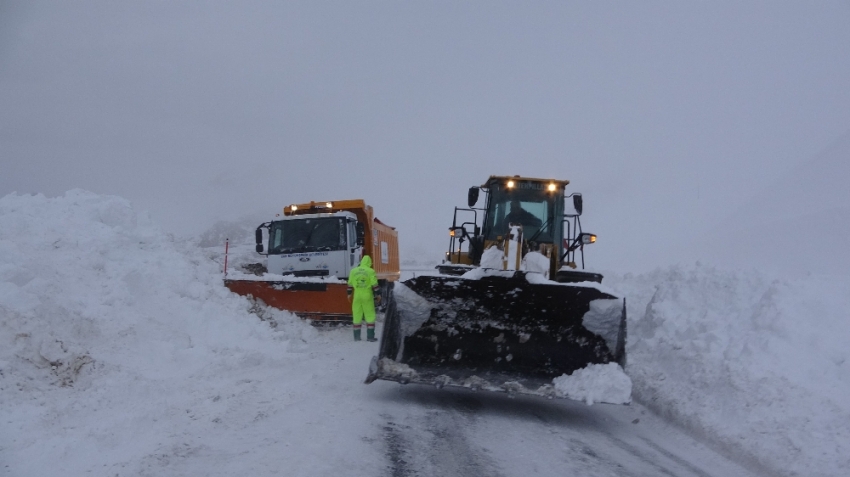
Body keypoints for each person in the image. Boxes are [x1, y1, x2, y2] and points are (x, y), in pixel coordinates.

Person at [347, 255, 381, 341]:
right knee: (369, 315)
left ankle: (357, 337)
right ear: (369, 262)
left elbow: (350, 284)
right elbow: (374, 284)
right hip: (367, 295)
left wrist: (349, 294)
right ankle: (370, 337)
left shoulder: (353, 271)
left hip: (357, 295)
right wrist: (378, 295)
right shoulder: (370, 271)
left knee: (357, 315)